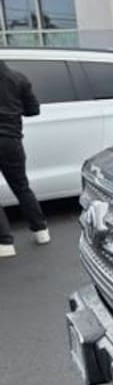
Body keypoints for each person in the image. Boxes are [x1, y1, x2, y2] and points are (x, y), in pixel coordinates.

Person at [0, 60, 49, 258]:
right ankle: (41, 232)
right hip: (12, 141)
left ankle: (5, 243)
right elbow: (33, 110)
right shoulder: (18, 78)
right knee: (21, 186)